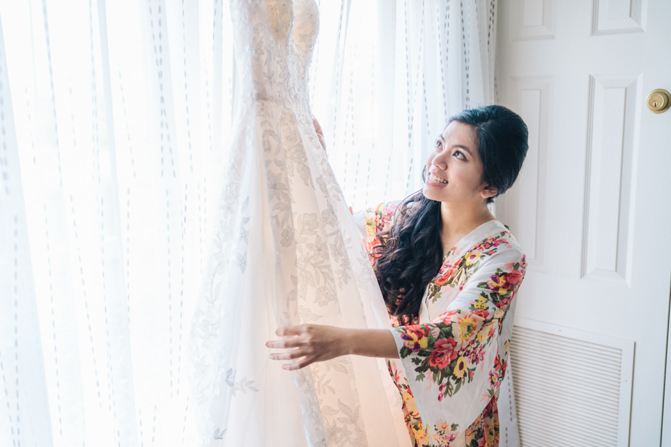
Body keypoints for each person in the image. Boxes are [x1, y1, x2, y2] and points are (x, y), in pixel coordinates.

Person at [267, 105, 529, 446]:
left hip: (455, 426)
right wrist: (318, 161)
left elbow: (448, 334)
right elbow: (339, 232)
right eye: (440, 144)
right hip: (393, 408)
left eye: (459, 155)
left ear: (489, 185)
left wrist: (341, 341)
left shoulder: (502, 257)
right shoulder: (404, 218)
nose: (437, 161)